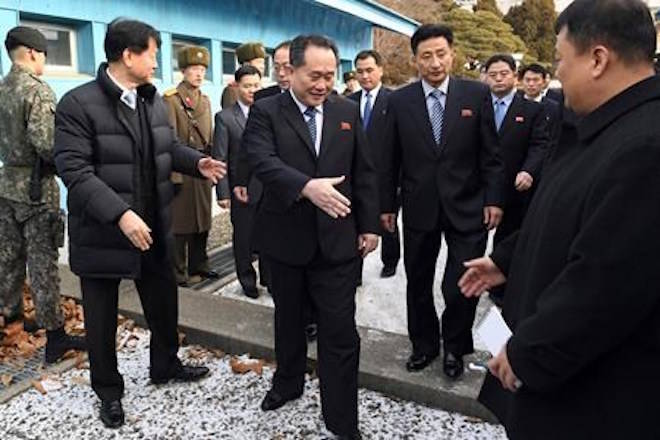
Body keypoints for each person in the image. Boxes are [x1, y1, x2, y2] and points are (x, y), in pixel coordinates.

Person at [459, 1, 660, 438]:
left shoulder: (645, 147)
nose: (556, 75)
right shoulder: (600, 126)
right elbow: (560, 212)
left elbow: (605, 284)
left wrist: (528, 352)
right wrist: (506, 260)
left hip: (594, 398)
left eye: (559, 60)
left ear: (597, 59)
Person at [54, 19, 226, 429]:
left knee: (163, 300)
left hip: (152, 225)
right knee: (100, 316)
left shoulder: (151, 99)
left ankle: (165, 364)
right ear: (128, 55)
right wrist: (120, 214)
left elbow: (165, 146)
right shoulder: (78, 104)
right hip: (101, 231)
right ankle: (108, 392)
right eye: (152, 53)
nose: (157, 61)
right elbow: (75, 171)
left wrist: (197, 162)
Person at [243, 34, 379, 439]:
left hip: (337, 242)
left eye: (329, 75)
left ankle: (341, 420)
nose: (322, 84)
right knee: (288, 320)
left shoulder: (346, 111)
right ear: (290, 71)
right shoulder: (266, 111)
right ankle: (288, 382)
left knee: (340, 332)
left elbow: (365, 172)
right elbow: (261, 160)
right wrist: (306, 186)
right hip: (284, 240)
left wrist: (369, 226)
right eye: (313, 75)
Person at [380, 24, 504, 379]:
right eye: (426, 56)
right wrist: (387, 206)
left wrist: (494, 198)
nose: (435, 63)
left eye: (441, 54)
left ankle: (454, 346)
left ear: (452, 54)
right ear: (415, 60)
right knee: (417, 281)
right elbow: (389, 160)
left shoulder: (476, 94)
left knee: (461, 283)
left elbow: (491, 154)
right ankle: (424, 345)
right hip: (419, 207)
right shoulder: (398, 100)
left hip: (468, 206)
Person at [0, 26, 87, 362]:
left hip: (7, 184)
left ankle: (11, 322)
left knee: (8, 258)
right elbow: (47, 145)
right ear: (34, 53)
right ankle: (55, 336)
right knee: (42, 263)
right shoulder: (36, 90)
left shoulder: (3, 87)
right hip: (36, 190)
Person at [483, 54, 549, 307]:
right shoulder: (478, 105)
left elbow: (540, 145)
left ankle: (500, 289)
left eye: (504, 74)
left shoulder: (533, 109)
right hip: (481, 187)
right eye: (493, 74)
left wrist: (529, 171)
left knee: (507, 239)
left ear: (515, 76)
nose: (499, 79)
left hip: (516, 187)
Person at [163, 45, 217, 287]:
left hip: (203, 168)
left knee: (203, 222)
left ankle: (200, 264)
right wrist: (174, 176)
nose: (199, 74)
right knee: (181, 226)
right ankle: (178, 271)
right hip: (183, 169)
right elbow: (169, 142)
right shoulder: (171, 100)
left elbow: (211, 137)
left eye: (202, 69)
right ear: (183, 71)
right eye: (194, 69)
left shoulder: (205, 100)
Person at [213, 65, 264, 298]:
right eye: (247, 86)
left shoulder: (268, 111)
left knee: (269, 236)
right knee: (242, 238)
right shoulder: (225, 118)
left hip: (268, 187)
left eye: (256, 85)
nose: (252, 90)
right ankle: (247, 281)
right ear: (236, 87)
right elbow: (220, 156)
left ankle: (269, 278)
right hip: (240, 188)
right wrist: (223, 192)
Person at [348, 49, 399, 279]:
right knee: (355, 223)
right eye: (360, 71)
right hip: (355, 175)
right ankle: (355, 269)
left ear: (380, 70)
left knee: (387, 222)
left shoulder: (394, 101)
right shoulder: (347, 102)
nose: (365, 76)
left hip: (386, 175)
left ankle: (390, 261)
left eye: (369, 70)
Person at [221, 42, 265, 109]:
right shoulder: (232, 90)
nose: (262, 66)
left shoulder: (263, 90)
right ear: (246, 64)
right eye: (259, 62)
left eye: (263, 63)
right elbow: (229, 117)